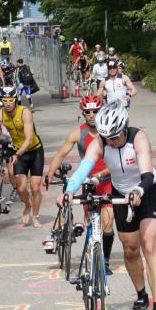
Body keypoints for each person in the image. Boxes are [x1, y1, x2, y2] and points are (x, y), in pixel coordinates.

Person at [58, 101, 156, 310]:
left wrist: (138, 191)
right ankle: (141, 296)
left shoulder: (138, 138)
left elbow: (147, 174)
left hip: (145, 190)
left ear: (125, 129)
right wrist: (68, 191)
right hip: (120, 192)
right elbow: (83, 168)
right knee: (130, 249)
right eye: (107, 137)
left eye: (115, 137)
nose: (111, 141)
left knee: (149, 244)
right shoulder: (101, 142)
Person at [46, 95, 115, 273]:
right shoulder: (77, 133)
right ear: (83, 113)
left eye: (95, 111)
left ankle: (106, 261)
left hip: (107, 181)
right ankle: (92, 257)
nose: (92, 115)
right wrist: (50, 172)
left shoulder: (109, 131)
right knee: (92, 225)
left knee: (108, 226)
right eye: (88, 112)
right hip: (88, 183)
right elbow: (61, 154)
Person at [0, 85, 45, 228]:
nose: (7, 103)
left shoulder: (24, 112)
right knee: (21, 188)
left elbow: (29, 139)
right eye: (5, 100)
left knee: (35, 187)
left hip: (34, 151)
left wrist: (17, 154)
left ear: (15, 100)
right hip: (19, 152)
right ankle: (28, 205)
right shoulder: (0, 114)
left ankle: (35, 216)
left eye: (10, 100)